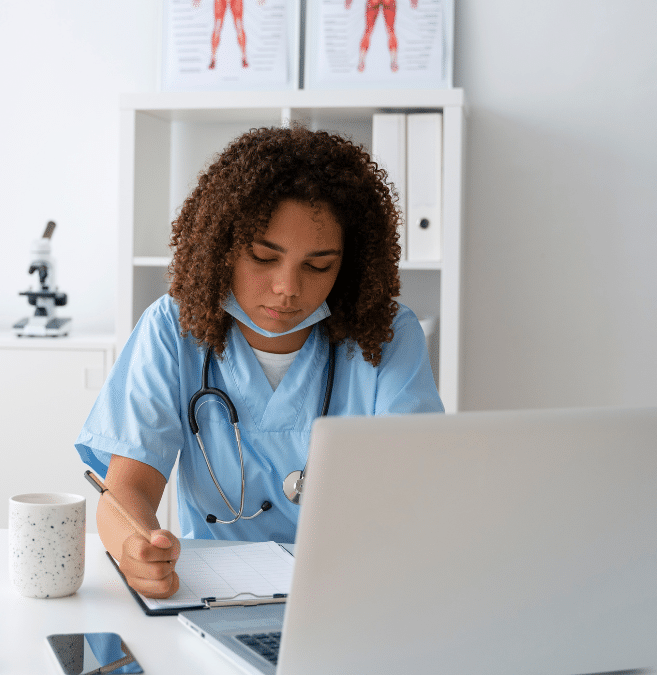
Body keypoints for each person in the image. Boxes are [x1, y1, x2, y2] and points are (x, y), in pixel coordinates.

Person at [76, 125, 444, 599]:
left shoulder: (387, 335)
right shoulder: (173, 327)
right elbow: (128, 490)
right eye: (262, 256)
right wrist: (137, 548)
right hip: (213, 595)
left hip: (349, 592)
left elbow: (418, 490)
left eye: (319, 265)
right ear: (224, 245)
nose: (288, 288)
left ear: (349, 263)